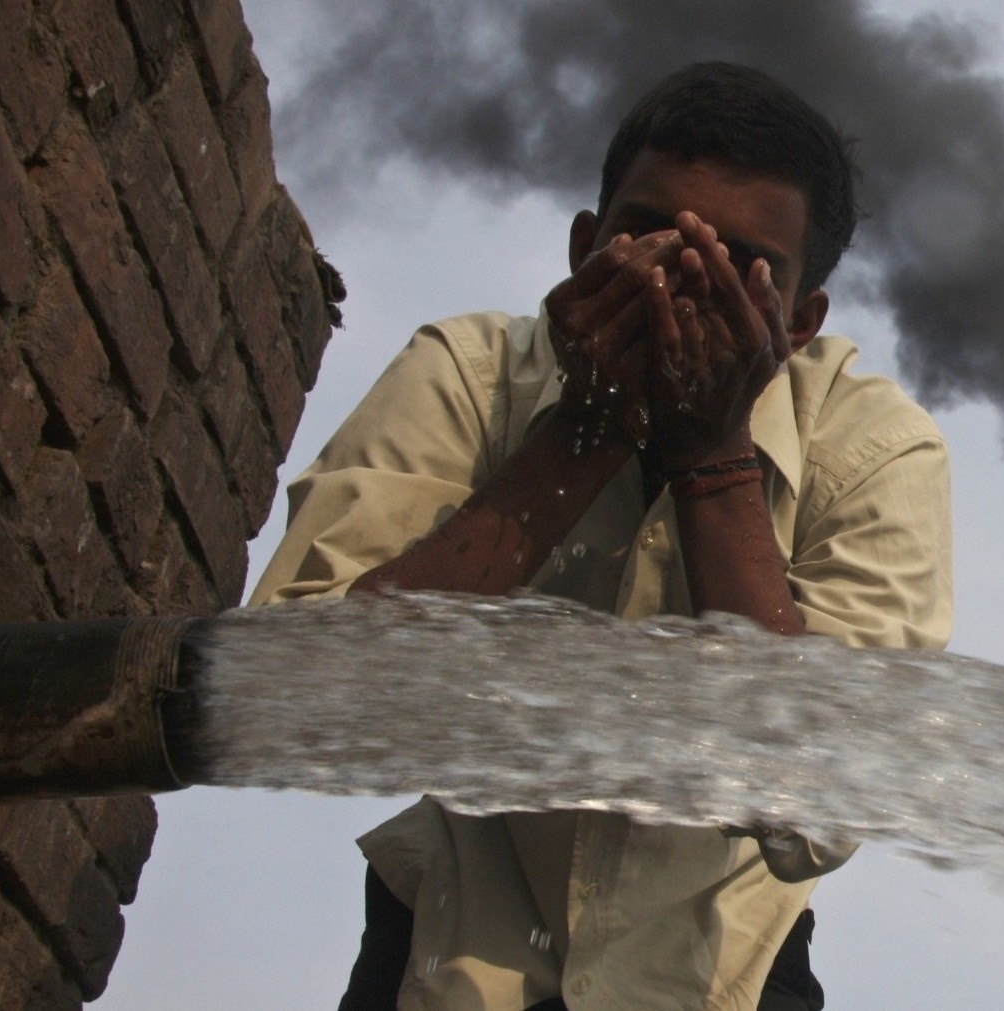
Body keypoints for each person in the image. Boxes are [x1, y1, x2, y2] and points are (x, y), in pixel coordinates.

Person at [251, 62, 952, 1011]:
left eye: (738, 267)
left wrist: (712, 454)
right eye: (647, 239)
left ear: (796, 324)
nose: (680, 284)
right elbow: (291, 702)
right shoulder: (468, 372)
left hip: (720, 976)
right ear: (585, 244)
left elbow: (817, 809)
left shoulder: (871, 448)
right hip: (445, 947)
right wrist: (588, 430)